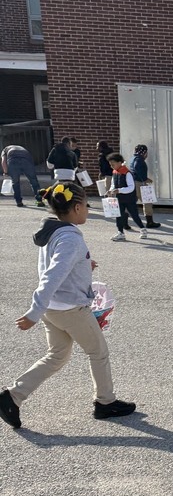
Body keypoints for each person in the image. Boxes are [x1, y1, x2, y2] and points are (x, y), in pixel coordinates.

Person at [0, 181, 136, 430]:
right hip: (70, 308)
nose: (87, 209)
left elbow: (55, 265)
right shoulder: (70, 237)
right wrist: (33, 311)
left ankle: (12, 397)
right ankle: (105, 402)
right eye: (85, 205)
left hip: (53, 310)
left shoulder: (53, 230)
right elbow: (53, 274)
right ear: (75, 208)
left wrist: (85, 263)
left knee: (57, 355)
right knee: (98, 352)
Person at [107, 153, 148, 241]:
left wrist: (119, 190)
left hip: (129, 199)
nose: (111, 166)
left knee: (134, 215)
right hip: (119, 198)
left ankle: (143, 229)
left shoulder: (127, 173)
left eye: (113, 164)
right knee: (118, 215)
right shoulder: (115, 172)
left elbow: (131, 187)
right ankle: (120, 232)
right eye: (110, 164)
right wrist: (111, 190)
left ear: (119, 162)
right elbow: (113, 184)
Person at [130, 144, 161, 228]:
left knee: (131, 203)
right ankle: (149, 222)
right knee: (147, 202)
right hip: (140, 183)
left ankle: (124, 222)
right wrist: (144, 179)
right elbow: (137, 169)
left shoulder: (133, 158)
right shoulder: (139, 160)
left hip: (134, 183)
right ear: (144, 152)